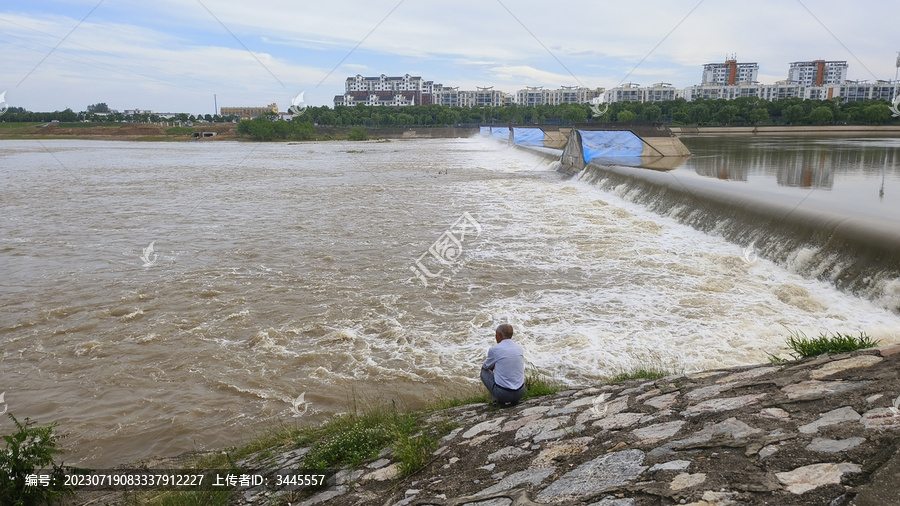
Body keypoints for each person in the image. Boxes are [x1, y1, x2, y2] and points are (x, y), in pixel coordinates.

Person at [480, 323, 525, 406]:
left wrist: (494, 366)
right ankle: (514, 401)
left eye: (496, 334)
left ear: (500, 335)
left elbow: (485, 367)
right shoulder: (519, 348)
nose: (495, 337)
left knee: (484, 372)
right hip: (520, 392)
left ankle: (497, 401)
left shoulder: (495, 349)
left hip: (504, 394)